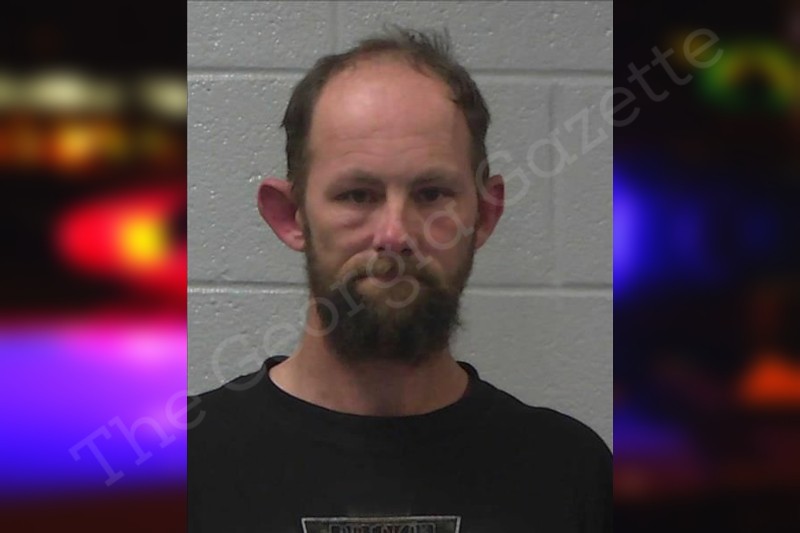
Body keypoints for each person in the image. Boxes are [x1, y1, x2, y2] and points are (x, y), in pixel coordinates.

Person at [188, 27, 611, 533]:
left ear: (484, 214)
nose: (395, 235)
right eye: (357, 195)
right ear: (290, 216)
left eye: (431, 194)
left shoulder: (570, 474)